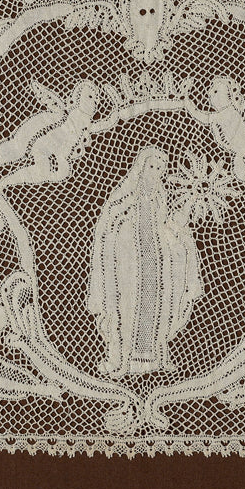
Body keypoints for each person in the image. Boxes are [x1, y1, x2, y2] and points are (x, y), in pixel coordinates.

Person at [87, 147, 201, 375]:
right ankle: (120, 360)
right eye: (151, 166)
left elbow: (163, 226)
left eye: (159, 168)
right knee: (126, 308)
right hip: (129, 262)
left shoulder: (159, 197)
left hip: (155, 262)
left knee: (155, 307)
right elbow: (110, 223)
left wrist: (178, 226)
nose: (155, 171)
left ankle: (154, 358)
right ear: (141, 167)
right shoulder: (127, 195)